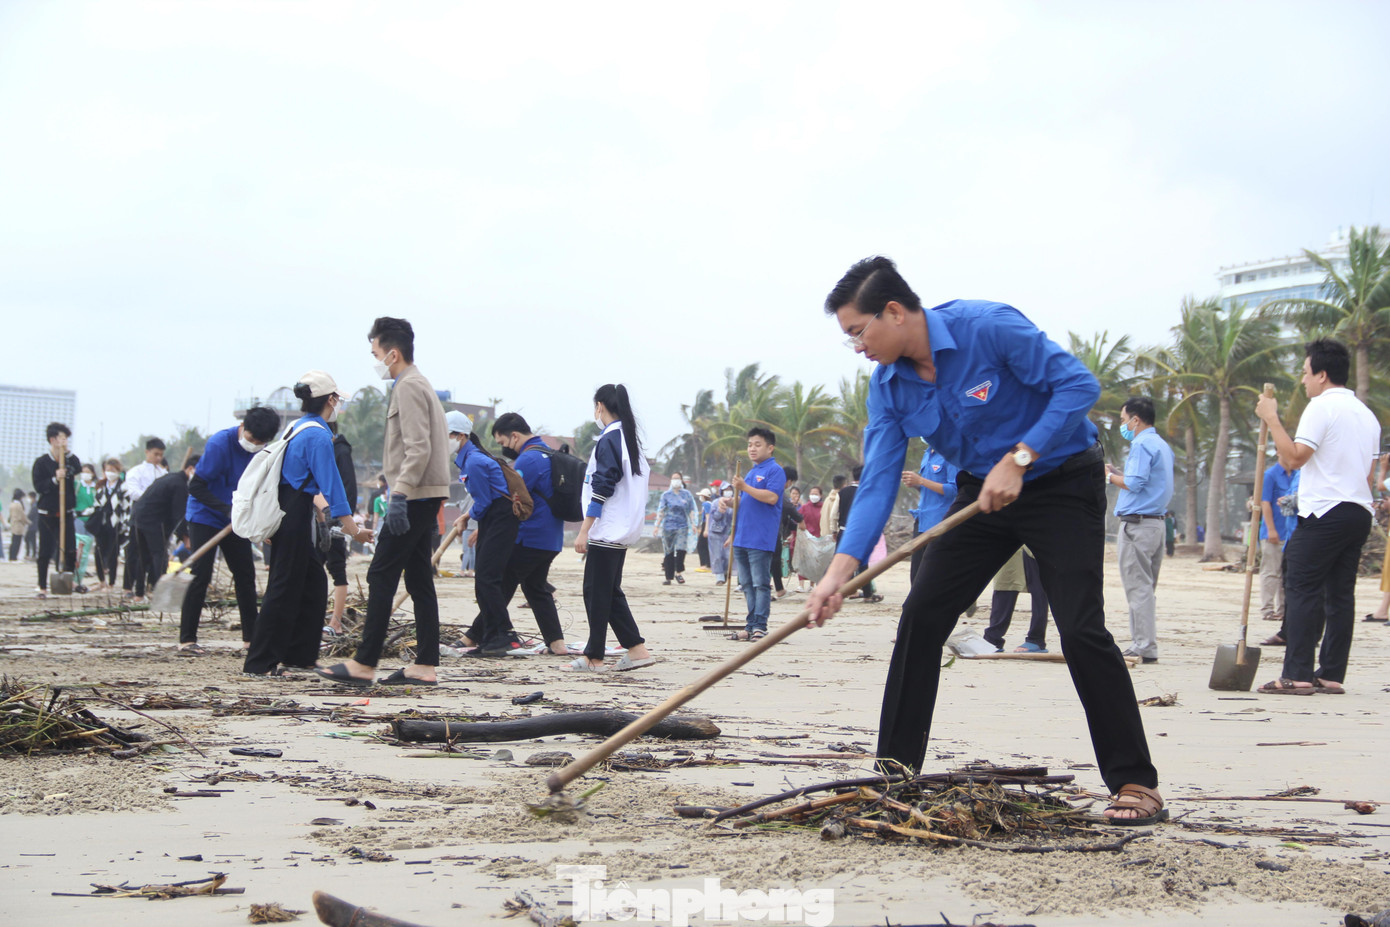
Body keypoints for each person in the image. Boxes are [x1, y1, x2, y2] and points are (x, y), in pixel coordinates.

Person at [807, 255, 1163, 825]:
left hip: (1062, 480)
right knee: (922, 616)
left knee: (1079, 628)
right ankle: (895, 776)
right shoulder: (889, 387)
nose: (857, 347)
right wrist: (837, 572)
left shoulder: (987, 326)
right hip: (982, 495)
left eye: (858, 332)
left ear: (894, 312)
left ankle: (1134, 782)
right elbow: (876, 483)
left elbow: (1078, 385)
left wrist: (1021, 458)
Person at [317, 320, 450, 686]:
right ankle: (424, 665)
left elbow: (418, 448)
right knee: (419, 577)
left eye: (376, 353)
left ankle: (364, 662)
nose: (375, 360)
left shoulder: (408, 386)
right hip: (426, 493)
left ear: (393, 353)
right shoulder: (419, 384)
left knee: (380, 574)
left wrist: (400, 495)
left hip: (415, 494)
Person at [1255, 338, 1379, 695]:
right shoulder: (1366, 415)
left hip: (1325, 510)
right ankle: (1331, 673)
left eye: (1306, 372)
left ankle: (1298, 674)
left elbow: (1294, 458)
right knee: (1339, 594)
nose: (1302, 380)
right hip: (1357, 510)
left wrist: (1271, 417)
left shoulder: (1321, 408)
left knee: (1301, 586)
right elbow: (1367, 474)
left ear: (1322, 375)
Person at [248, 372, 371, 677]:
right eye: (337, 398)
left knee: (314, 583)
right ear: (331, 400)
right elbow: (332, 487)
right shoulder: (317, 434)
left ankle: (300, 656)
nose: (338, 402)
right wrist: (352, 529)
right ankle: (259, 662)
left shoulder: (297, 426)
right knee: (282, 587)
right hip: (292, 512)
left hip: (294, 509)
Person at [567, 383, 656, 672]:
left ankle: (594, 656)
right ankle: (637, 649)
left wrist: (585, 529)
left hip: (608, 528)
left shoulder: (610, 439)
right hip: (623, 528)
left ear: (600, 407)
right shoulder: (630, 440)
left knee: (596, 591)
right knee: (607, 591)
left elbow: (602, 486)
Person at [178, 407, 281, 654]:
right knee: (200, 575)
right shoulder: (219, 444)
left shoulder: (266, 452)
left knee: (245, 574)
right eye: (252, 438)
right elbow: (197, 487)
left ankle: (251, 638)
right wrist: (226, 511)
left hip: (239, 518)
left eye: (261, 442)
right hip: (206, 515)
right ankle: (187, 640)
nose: (254, 444)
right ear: (243, 427)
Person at [492, 412, 569, 655]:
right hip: (551, 537)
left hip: (530, 536)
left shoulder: (528, 460)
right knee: (535, 588)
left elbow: (512, 498)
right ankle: (557, 644)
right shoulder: (549, 453)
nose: (504, 449)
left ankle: (472, 637)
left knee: (501, 585)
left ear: (514, 436)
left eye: (503, 443)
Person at [1106, 396, 1174, 665]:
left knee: (1138, 587)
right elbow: (1146, 481)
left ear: (1135, 420)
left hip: (1137, 523)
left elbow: (1134, 483)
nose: (1123, 426)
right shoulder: (1161, 445)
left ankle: (1144, 646)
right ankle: (1142, 642)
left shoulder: (1141, 443)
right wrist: (1118, 472)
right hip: (1156, 524)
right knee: (1145, 587)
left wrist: (1109, 476)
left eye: (1124, 420)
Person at [449, 412, 524, 657]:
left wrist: (468, 517)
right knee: (485, 579)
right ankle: (492, 635)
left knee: (487, 579)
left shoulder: (474, 462)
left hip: (501, 517)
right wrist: (467, 517)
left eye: (446, 435)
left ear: (461, 436)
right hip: (494, 517)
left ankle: (504, 635)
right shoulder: (468, 458)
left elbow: (484, 500)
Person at [727, 427, 786, 642]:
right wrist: (731, 502)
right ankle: (750, 624)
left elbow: (771, 497)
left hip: (760, 538)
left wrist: (743, 486)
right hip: (743, 536)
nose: (752, 448)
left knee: (761, 583)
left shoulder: (775, 471)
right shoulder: (752, 471)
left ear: (770, 448)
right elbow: (748, 502)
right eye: (750, 444)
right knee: (746, 583)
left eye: (757, 444)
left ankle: (760, 625)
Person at [130, 455, 200, 598]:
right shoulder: (179, 485)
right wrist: (186, 537)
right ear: (191, 468)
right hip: (153, 521)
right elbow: (179, 515)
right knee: (159, 555)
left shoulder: (171, 478)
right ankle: (159, 592)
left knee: (143, 556)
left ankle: (139, 593)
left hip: (139, 518)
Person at [31, 422, 83, 597]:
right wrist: (55, 478)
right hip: (47, 514)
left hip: (66, 513)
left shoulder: (69, 459)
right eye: (62, 438)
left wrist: (67, 460)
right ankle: (42, 585)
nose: (65, 441)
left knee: (70, 549)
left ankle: (66, 581)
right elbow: (39, 486)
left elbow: (78, 467)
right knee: (45, 550)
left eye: (66, 438)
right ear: (53, 440)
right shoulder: (42, 462)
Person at [903, 442, 958, 582]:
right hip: (921, 520)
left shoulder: (951, 455)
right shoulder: (927, 454)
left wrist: (921, 480)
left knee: (934, 574)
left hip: (940, 522)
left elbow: (954, 490)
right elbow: (929, 489)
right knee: (916, 573)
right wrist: (916, 484)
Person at [323, 419, 358, 637]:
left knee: (337, 568)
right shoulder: (321, 449)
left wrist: (343, 521)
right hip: (316, 519)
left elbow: (348, 488)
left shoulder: (340, 451)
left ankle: (336, 621)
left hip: (334, 519)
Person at [982, 548, 1050, 652]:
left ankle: (1036, 639)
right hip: (1007, 540)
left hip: (1035, 541)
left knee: (1039, 588)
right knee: (1004, 584)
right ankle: (992, 639)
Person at [1258, 457, 1298, 624]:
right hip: (1273, 532)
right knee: (1271, 571)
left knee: (1286, 574)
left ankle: (1283, 609)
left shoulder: (1297, 474)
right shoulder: (1270, 475)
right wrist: (1271, 529)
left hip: (1291, 532)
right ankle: (1267, 609)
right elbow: (1265, 503)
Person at [90, 461, 130, 590]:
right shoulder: (101, 487)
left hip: (116, 524)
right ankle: (101, 580)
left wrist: (125, 524)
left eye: (113, 470)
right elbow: (96, 505)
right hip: (102, 524)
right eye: (107, 470)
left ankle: (111, 583)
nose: (110, 473)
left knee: (113, 554)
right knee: (98, 552)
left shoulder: (124, 487)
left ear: (118, 471)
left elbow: (126, 507)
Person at [654, 471, 697, 585]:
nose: (675, 480)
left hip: (682, 525)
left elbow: (691, 510)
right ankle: (668, 577)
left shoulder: (687, 494)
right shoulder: (666, 495)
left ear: (681, 480)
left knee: (681, 549)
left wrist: (693, 524)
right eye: (673, 478)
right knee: (669, 551)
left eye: (678, 478)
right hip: (668, 526)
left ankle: (678, 572)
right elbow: (661, 511)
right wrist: (657, 526)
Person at [705, 484, 734, 584]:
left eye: (729, 489)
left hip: (728, 532)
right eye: (725, 490)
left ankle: (725, 571)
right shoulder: (715, 503)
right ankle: (719, 576)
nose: (728, 491)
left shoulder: (734, 502)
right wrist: (720, 511)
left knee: (727, 555)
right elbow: (715, 517)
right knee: (717, 555)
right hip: (716, 532)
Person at [694, 487, 713, 571]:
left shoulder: (706, 504)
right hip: (708, 525)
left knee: (701, 545)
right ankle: (709, 564)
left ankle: (703, 564)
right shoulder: (711, 503)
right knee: (706, 546)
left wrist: (706, 529)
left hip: (706, 525)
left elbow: (707, 516)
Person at [8, 488, 29, 562]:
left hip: (13, 525)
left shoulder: (12, 503)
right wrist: (28, 522)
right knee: (17, 542)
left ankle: (11, 556)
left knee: (13, 541)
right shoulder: (18, 505)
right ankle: (14, 556)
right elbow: (22, 516)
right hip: (19, 526)